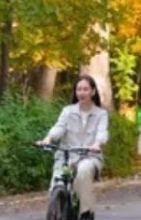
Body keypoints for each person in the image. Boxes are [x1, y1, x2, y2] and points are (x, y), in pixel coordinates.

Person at [37, 75, 109, 220]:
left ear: (93, 92)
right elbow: (59, 127)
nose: (82, 92)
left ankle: (85, 212)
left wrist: (97, 144)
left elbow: (103, 132)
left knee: (83, 171)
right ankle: (58, 204)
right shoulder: (67, 111)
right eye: (79, 89)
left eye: (85, 89)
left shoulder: (101, 114)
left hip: (89, 156)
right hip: (66, 156)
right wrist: (48, 139)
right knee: (57, 182)